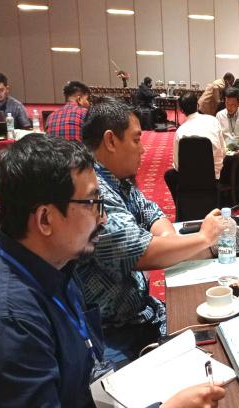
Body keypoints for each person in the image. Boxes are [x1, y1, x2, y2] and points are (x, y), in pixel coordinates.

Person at [0, 134, 226, 406]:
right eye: (92, 204)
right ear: (45, 219)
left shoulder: (52, 261)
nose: (103, 218)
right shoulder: (11, 323)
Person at [77, 97, 227, 363]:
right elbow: (142, 253)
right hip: (112, 333)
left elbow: (152, 213)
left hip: (140, 314)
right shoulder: (92, 191)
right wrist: (204, 237)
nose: (143, 149)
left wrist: (166, 242)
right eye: (136, 140)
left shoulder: (117, 180)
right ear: (110, 141)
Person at [165, 92, 225, 204]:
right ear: (197, 105)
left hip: (189, 181)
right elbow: (223, 151)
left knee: (169, 175)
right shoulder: (213, 121)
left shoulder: (180, 132)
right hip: (213, 178)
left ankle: (181, 205)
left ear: (182, 110)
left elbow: (178, 165)